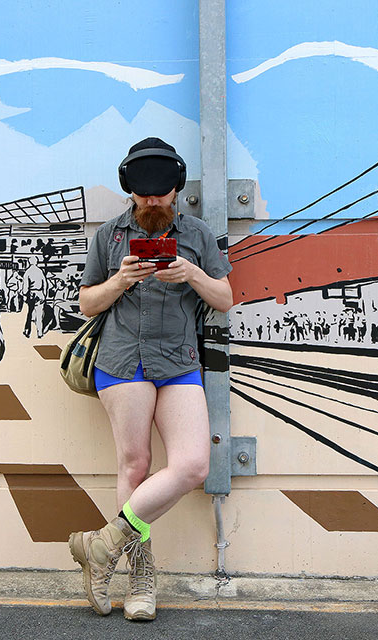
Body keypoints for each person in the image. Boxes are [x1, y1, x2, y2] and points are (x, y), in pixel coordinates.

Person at [68, 138, 232, 622]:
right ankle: (140, 577)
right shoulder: (109, 237)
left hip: (178, 361)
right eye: (144, 195)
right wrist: (120, 280)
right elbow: (85, 304)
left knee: (192, 466)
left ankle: (101, 547)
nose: (153, 202)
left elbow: (224, 298)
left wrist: (191, 274)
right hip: (121, 361)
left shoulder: (197, 234)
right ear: (131, 191)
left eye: (161, 194)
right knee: (134, 465)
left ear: (177, 189)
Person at [22, 255, 46, 338]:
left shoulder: (27, 272)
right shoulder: (40, 272)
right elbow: (45, 284)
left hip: (31, 294)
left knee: (30, 313)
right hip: (40, 294)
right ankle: (40, 333)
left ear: (29, 262)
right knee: (39, 315)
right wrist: (44, 294)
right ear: (36, 262)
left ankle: (27, 331)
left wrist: (24, 295)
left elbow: (26, 286)